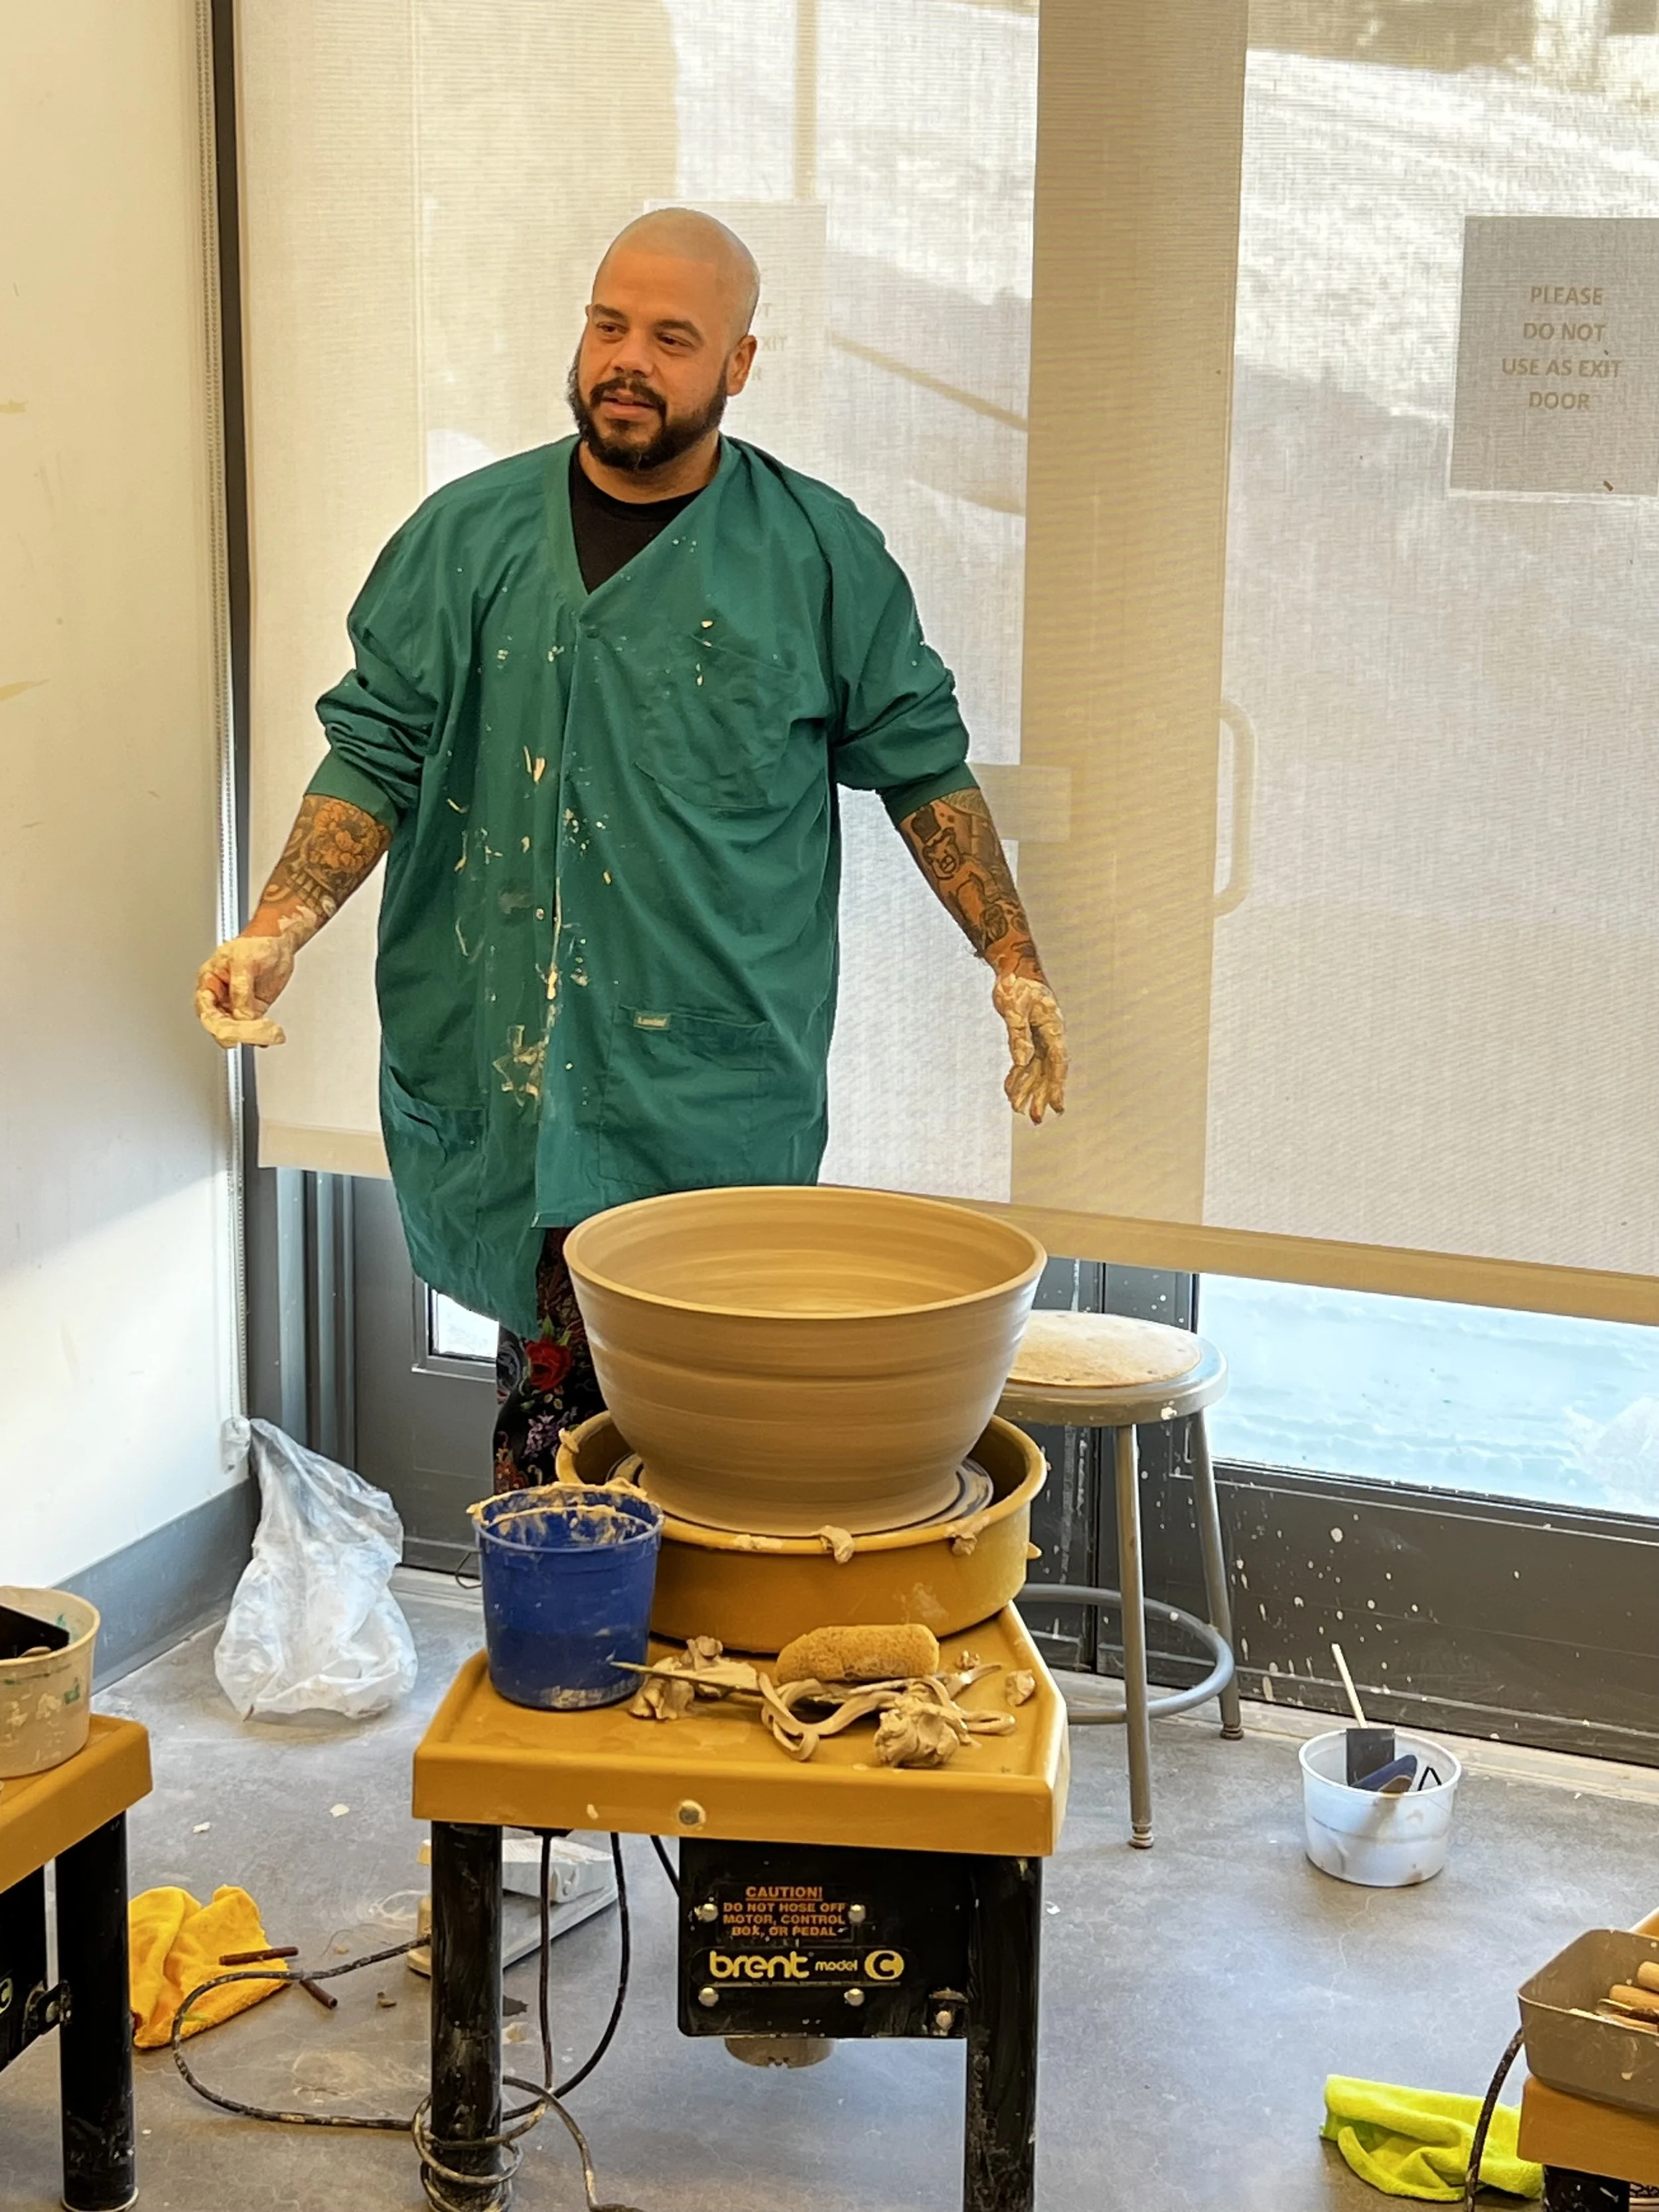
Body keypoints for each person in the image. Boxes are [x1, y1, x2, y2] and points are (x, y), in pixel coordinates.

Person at [198, 208, 1068, 1491]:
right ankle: (553, 1621)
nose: (629, 361)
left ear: (739, 363)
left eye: (673, 338)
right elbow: (376, 748)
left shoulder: (816, 557)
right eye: (610, 325)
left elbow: (922, 765)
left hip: (708, 1087)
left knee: (720, 1451)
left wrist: (1013, 959)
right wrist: (280, 923)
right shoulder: (466, 539)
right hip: (511, 1067)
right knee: (551, 1450)